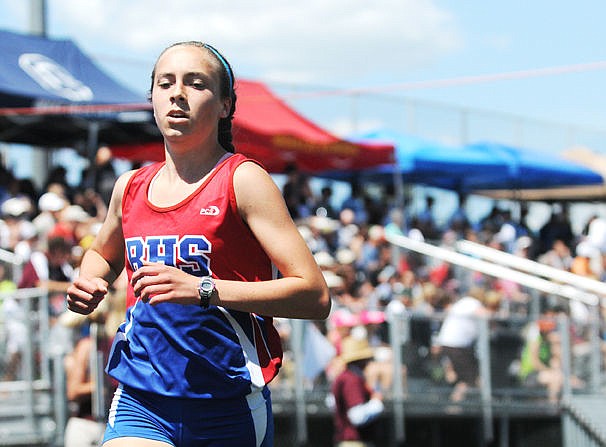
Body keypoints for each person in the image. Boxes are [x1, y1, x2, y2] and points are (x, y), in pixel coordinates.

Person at [66, 41, 330, 447]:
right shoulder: (130, 187)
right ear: (151, 99)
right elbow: (102, 254)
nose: (177, 93)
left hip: (227, 403)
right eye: (164, 83)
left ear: (225, 104)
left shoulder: (243, 180)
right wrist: (89, 281)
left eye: (195, 83)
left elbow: (314, 296)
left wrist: (204, 290)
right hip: (141, 398)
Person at [331, 335, 384, 447]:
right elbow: (357, 416)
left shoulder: (346, 378)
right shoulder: (351, 380)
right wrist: (376, 402)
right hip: (354, 442)